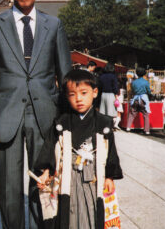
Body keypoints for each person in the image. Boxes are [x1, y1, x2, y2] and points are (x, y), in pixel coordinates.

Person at [0, 0, 71, 228]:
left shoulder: (54, 25)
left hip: (45, 115)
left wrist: (67, 120)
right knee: (9, 184)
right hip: (6, 114)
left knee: (43, 180)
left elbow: (65, 75)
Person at [35, 69, 123, 229]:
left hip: (94, 177)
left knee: (93, 210)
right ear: (67, 97)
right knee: (69, 212)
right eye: (72, 94)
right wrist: (46, 171)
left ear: (95, 93)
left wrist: (110, 176)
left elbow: (111, 151)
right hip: (69, 177)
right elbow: (50, 147)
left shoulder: (103, 122)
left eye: (84, 93)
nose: (79, 99)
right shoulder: (61, 123)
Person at [126, 67, 151, 135]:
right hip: (144, 99)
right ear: (144, 74)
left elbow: (133, 91)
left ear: (137, 73)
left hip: (136, 98)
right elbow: (149, 91)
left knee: (132, 113)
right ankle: (147, 130)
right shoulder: (146, 82)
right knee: (146, 114)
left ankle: (128, 127)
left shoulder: (133, 82)